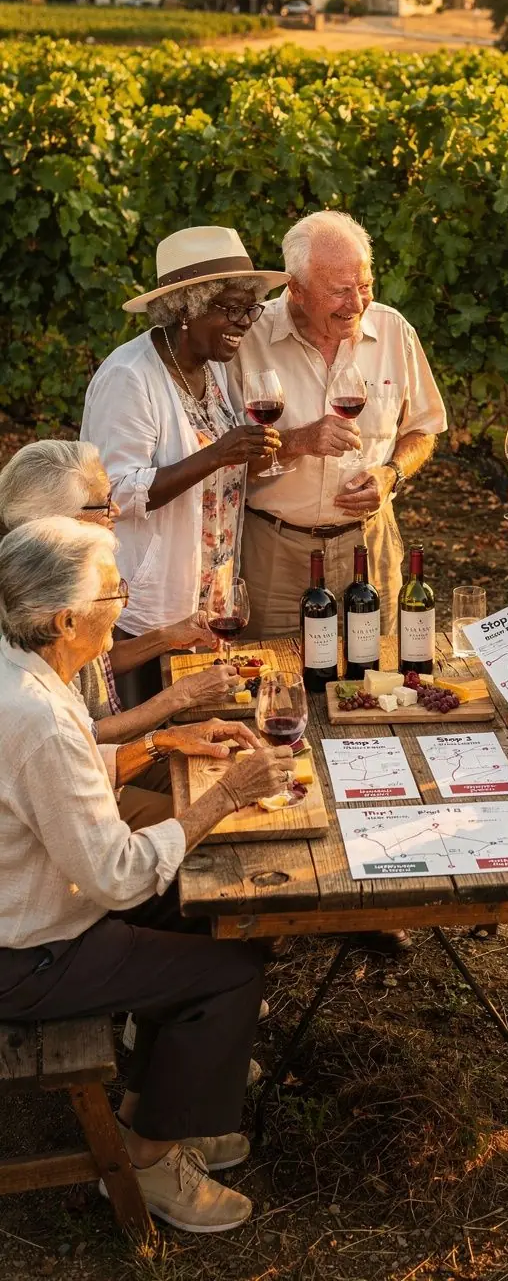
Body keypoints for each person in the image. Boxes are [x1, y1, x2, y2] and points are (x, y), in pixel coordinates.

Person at [0, 517, 293, 1231]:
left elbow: (57, 778)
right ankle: (150, 1161)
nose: (123, 604)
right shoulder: (37, 716)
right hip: (29, 952)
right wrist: (224, 797)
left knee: (215, 909)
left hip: (37, 909)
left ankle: (154, 1111)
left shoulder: (21, 670)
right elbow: (118, 877)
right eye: (113, 594)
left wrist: (167, 739)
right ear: (66, 620)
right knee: (229, 972)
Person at [81, 226, 288, 702]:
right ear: (184, 309)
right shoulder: (129, 377)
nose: (244, 322)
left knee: (202, 720)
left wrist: (254, 458)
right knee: (152, 722)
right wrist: (218, 454)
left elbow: (220, 478)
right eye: (230, 309)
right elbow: (114, 493)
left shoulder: (213, 367)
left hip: (211, 588)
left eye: (250, 308)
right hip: (148, 600)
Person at [229, 210, 447, 636]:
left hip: (370, 545)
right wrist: (296, 442)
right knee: (275, 674)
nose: (357, 304)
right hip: (275, 553)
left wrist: (392, 473)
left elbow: (423, 429)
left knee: (376, 671)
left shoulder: (393, 331)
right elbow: (221, 456)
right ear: (296, 289)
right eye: (339, 291)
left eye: (364, 286)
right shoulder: (248, 340)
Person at [0, 440, 242, 750]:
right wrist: (182, 695)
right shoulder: (34, 600)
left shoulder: (54, 569)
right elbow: (82, 737)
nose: (116, 510)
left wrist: (167, 637)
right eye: (104, 502)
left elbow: (94, 665)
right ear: (59, 518)